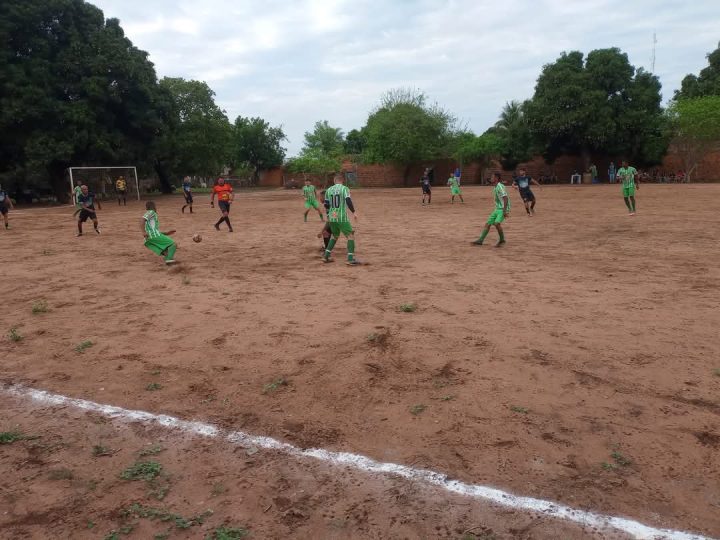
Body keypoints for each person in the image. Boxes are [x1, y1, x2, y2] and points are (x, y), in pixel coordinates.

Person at [323, 173, 360, 265]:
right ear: (342, 181)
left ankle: (326, 256)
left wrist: (329, 215)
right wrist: (354, 212)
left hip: (332, 217)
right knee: (350, 235)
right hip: (342, 217)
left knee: (334, 236)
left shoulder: (329, 190)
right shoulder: (344, 188)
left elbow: (326, 204)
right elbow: (348, 200)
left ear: (334, 181)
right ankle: (350, 259)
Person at [472, 172, 509, 247]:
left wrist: (505, 210)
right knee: (488, 224)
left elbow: (506, 198)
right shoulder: (495, 187)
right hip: (497, 208)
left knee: (496, 223)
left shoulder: (500, 186)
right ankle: (480, 240)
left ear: (496, 178)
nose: (491, 178)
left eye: (492, 177)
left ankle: (502, 240)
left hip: (502, 209)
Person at [141, 201, 177, 265]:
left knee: (166, 251)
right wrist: (143, 232)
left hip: (148, 238)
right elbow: (142, 220)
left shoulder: (151, 215)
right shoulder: (151, 212)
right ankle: (168, 260)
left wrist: (166, 233)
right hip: (152, 235)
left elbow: (153, 229)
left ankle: (167, 259)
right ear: (153, 206)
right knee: (173, 244)